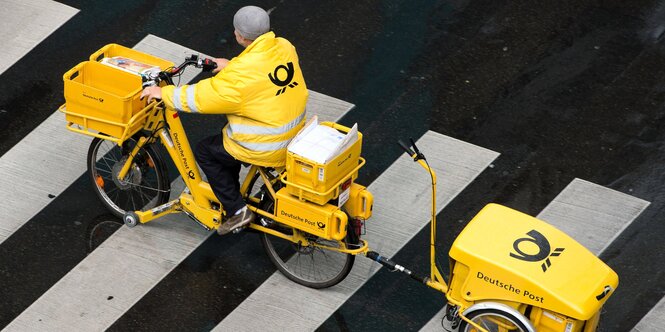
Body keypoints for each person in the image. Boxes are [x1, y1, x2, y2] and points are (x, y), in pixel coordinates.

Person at [140, 6, 308, 235]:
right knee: (224, 143)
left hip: (267, 143)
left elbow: (204, 97)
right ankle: (232, 193)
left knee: (206, 151)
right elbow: (259, 73)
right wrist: (229, 66)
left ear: (240, 35)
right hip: (295, 130)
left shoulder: (240, 75)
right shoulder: (284, 46)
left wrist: (164, 94)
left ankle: (237, 210)